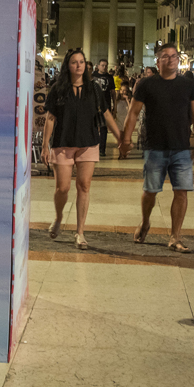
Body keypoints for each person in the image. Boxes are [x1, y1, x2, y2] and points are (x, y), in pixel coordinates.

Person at [119, 44, 194, 253]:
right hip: (155, 147)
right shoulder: (147, 84)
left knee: (181, 192)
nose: (171, 59)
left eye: (174, 56)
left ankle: (175, 236)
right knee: (150, 191)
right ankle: (146, 221)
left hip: (181, 147)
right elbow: (133, 113)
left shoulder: (188, 85)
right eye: (166, 56)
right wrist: (126, 139)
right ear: (158, 62)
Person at [41, 49, 123, 250]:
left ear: (86, 65)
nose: (78, 65)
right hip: (63, 143)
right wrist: (45, 145)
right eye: (74, 62)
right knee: (63, 188)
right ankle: (59, 218)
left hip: (88, 142)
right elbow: (50, 118)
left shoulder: (93, 89)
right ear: (67, 66)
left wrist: (121, 137)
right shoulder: (58, 89)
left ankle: (80, 232)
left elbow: (105, 115)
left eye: (82, 62)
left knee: (84, 186)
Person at [92, 59, 116, 156]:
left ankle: (102, 149)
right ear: (98, 66)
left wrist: (115, 105)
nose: (104, 67)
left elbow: (113, 93)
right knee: (93, 127)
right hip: (93, 105)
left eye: (106, 65)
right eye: (102, 65)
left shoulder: (110, 77)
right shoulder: (93, 76)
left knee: (103, 128)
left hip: (105, 105)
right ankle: (93, 147)